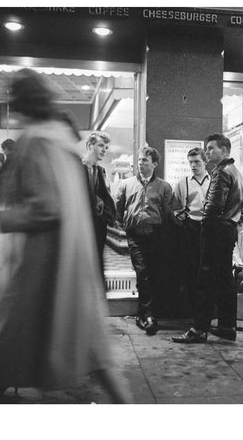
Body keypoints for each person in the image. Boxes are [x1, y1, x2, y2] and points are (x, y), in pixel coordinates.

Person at [0, 68, 131, 403]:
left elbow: (47, 207)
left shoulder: (36, 142)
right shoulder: (61, 142)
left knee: (7, 343)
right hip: (71, 265)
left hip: (41, 266)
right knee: (96, 353)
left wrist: (0, 215)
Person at [172, 133, 243, 343]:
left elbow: (213, 206)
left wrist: (205, 225)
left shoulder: (221, 172)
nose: (208, 151)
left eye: (211, 148)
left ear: (224, 150)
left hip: (215, 232)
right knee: (225, 280)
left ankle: (198, 329)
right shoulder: (236, 172)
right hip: (229, 230)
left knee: (206, 281)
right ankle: (227, 326)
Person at [115, 146, 174, 336]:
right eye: (139, 160)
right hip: (135, 235)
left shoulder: (164, 187)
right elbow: (119, 207)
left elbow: (167, 212)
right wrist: (123, 224)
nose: (141, 163)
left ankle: (147, 313)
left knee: (154, 273)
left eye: (145, 161)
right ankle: (147, 315)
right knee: (142, 273)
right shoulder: (126, 184)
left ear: (155, 164)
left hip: (156, 235)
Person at [173, 147, 210, 313]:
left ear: (205, 162)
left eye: (197, 162)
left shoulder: (213, 181)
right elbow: (175, 207)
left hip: (209, 228)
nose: (194, 166)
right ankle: (193, 310)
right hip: (190, 228)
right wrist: (179, 216)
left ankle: (206, 310)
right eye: (191, 163)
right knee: (191, 269)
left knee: (207, 269)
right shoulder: (183, 183)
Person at [82, 131, 116, 275]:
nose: (104, 150)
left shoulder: (100, 171)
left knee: (95, 266)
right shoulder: (77, 168)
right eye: (101, 145)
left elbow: (104, 195)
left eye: (106, 147)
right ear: (90, 145)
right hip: (81, 227)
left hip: (97, 227)